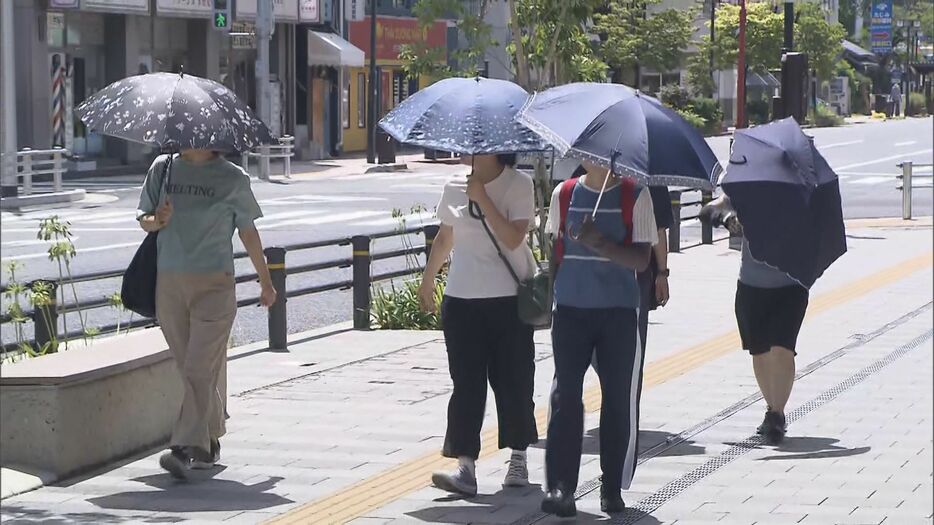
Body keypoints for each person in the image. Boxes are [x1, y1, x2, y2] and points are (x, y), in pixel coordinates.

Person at [137, 149, 276, 480]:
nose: (191, 138)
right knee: (191, 370)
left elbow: (248, 232)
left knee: (199, 369)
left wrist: (266, 281)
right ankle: (209, 442)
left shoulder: (231, 177)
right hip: (169, 284)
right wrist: (158, 220)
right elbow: (144, 219)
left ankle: (182, 448)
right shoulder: (164, 168)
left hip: (215, 285)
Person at [417, 153, 539, 497]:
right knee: (466, 385)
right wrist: (428, 281)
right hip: (461, 299)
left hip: (508, 301)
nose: (470, 149)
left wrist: (483, 198)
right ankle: (465, 466)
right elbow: (445, 238)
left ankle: (518, 458)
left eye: (479, 143)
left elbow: (514, 238)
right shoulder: (454, 185)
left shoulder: (519, 184)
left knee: (513, 381)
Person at [542, 161, 658, 517]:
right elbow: (554, 251)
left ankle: (610, 489)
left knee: (616, 399)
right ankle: (562, 487)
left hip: (619, 313)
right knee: (566, 397)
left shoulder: (635, 195)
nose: (593, 156)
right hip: (571, 311)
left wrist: (601, 243)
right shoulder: (564, 194)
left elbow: (641, 260)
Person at [700, 195, 808, 445]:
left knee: (783, 348)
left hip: (792, 284)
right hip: (751, 283)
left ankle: (777, 415)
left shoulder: (799, 191)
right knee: (759, 351)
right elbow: (713, 208)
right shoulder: (747, 185)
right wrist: (724, 216)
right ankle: (771, 407)